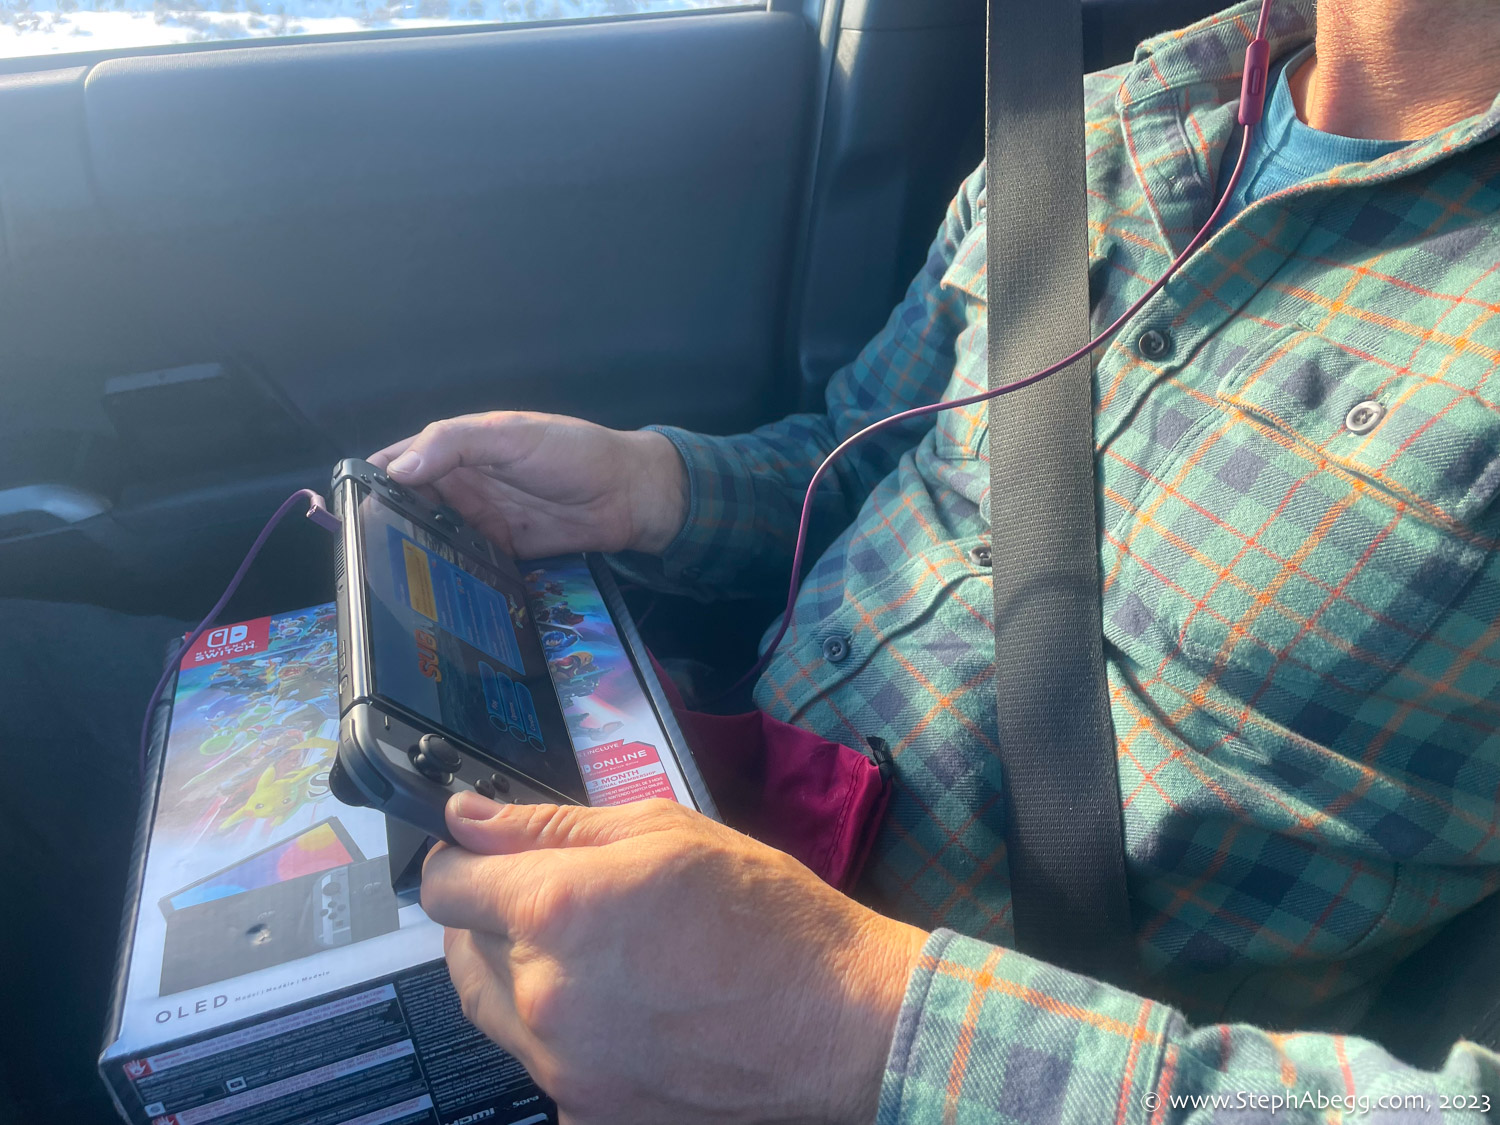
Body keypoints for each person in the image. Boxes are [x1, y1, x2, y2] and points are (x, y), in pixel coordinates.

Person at [366, 0, 1500, 1121]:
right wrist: (648, 485)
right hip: (686, 819)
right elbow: (867, 446)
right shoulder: (1100, 122)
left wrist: (846, 1032)